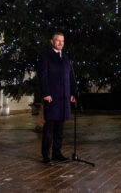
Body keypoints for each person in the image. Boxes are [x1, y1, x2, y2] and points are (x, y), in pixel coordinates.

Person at [38, 32, 76, 163]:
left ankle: (57, 153)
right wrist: (46, 93)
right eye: (58, 41)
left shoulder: (66, 58)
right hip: (52, 97)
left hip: (64, 97)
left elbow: (70, 77)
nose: (61, 43)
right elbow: (43, 76)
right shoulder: (46, 56)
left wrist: (73, 93)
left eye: (63, 41)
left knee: (60, 128)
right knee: (49, 127)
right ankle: (45, 155)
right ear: (52, 42)